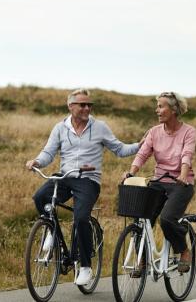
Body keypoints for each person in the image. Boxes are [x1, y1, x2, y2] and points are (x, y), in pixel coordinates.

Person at [25, 89, 143, 286]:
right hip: (65, 177)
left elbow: (120, 150)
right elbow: (48, 153)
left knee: (80, 218)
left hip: (88, 180)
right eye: (82, 105)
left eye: (89, 105)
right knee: (40, 197)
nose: (87, 108)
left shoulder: (100, 127)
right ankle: (50, 233)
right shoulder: (60, 128)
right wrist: (36, 162)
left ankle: (86, 266)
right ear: (71, 106)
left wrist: (142, 144)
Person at [123, 91, 196, 274]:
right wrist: (131, 173)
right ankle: (142, 261)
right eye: (157, 106)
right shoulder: (154, 132)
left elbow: (187, 155)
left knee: (167, 219)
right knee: (141, 218)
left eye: (161, 106)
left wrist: (183, 173)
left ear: (173, 110)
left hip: (181, 184)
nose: (157, 110)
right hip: (158, 181)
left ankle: (184, 251)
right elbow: (143, 154)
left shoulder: (189, 131)